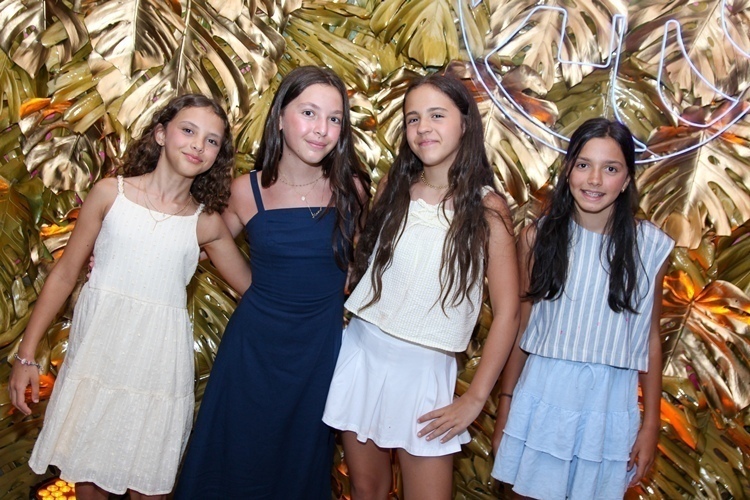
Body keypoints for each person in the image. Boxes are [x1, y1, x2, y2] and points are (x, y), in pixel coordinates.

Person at [9, 94, 253, 500]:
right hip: (98, 358)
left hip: (158, 371)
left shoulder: (206, 222)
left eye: (212, 140)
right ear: (160, 133)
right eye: (188, 130)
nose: (198, 145)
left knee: (149, 486)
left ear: (218, 155)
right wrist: (26, 355)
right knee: (88, 479)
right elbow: (65, 274)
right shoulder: (110, 195)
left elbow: (253, 287)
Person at [174, 66, 370, 499]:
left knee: (298, 466)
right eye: (309, 113)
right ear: (280, 117)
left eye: (334, 119)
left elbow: (364, 267)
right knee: (235, 463)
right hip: (252, 354)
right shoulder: (244, 191)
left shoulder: (352, 190)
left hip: (318, 354)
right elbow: (191, 248)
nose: (321, 129)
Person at [321, 74, 520, 499]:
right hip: (363, 353)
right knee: (367, 490)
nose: (423, 127)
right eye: (413, 118)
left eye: (436, 115)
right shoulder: (392, 190)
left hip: (426, 372)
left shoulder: (488, 207)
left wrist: (476, 398)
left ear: (465, 123)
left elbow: (508, 312)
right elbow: (365, 264)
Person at [490, 118, 674, 499]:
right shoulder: (538, 238)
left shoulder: (651, 247)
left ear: (627, 179)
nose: (594, 180)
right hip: (542, 395)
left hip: (607, 406)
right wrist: (505, 405)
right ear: (568, 169)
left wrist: (651, 423)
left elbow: (651, 339)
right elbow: (523, 329)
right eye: (583, 164)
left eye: (611, 169)